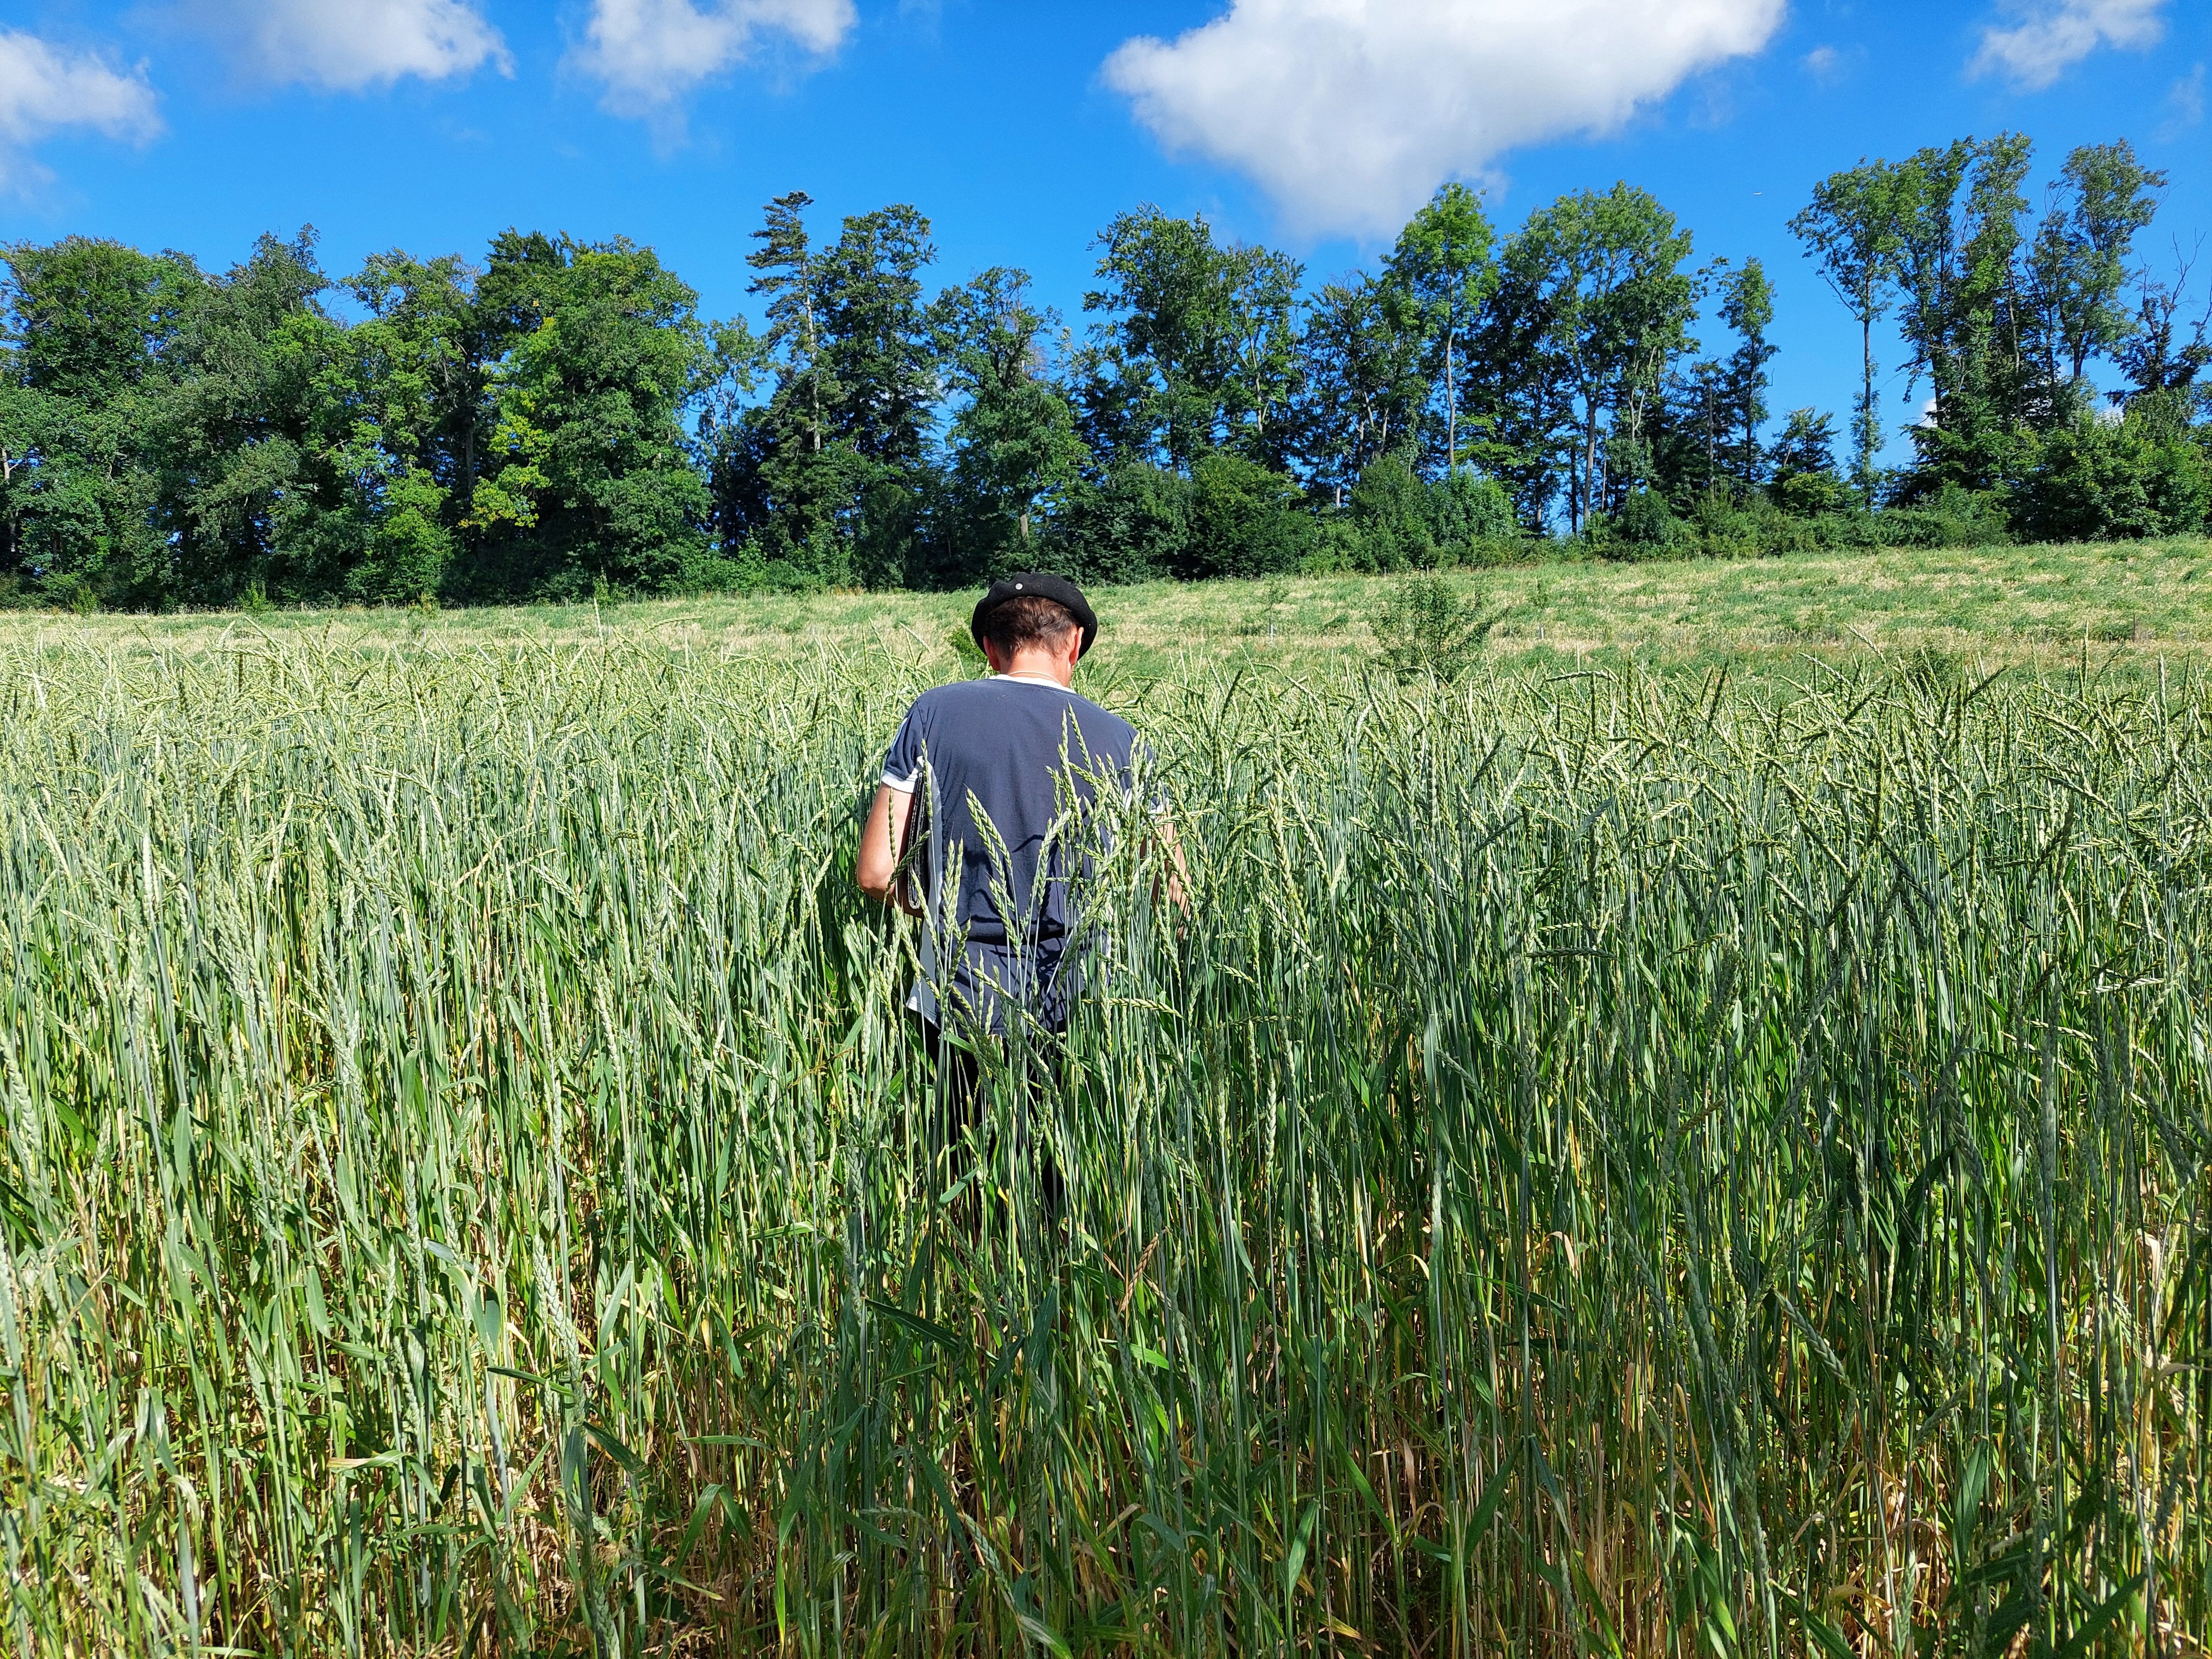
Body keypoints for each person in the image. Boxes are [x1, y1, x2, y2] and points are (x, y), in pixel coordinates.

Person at [854, 573, 1163, 1202]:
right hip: (1081, 999)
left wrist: (941, 913)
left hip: (957, 991)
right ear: (1074, 644)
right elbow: (1172, 887)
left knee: (965, 1190)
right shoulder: (1121, 738)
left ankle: (968, 1298)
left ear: (990, 650)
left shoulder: (934, 712)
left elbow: (877, 872)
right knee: (1062, 1196)